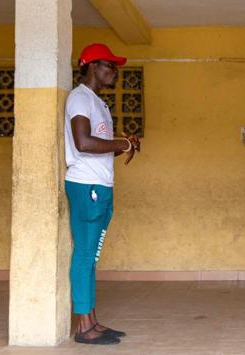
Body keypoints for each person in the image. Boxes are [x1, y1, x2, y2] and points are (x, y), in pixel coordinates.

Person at [65, 43, 141, 344]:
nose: (115, 72)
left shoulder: (97, 102)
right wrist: (122, 145)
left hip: (100, 186)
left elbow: (99, 142)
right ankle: (84, 327)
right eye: (110, 66)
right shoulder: (79, 98)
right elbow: (83, 143)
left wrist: (125, 141)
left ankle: (92, 320)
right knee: (84, 255)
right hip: (86, 186)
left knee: (91, 256)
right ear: (92, 65)